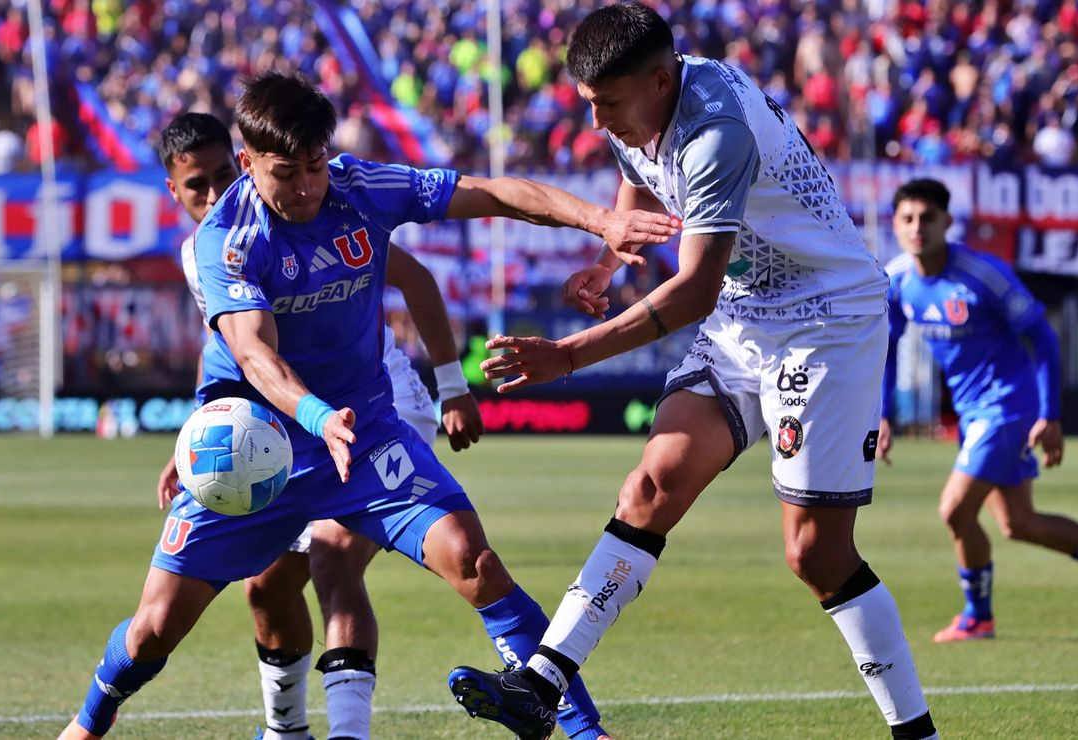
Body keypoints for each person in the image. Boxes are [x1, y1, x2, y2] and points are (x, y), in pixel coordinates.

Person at [59, 69, 678, 740]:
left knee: (475, 562)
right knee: (156, 627)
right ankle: (90, 723)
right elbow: (256, 357)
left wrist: (601, 219)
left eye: (315, 166)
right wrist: (319, 418)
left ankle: (588, 733)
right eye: (285, 172)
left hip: (368, 435)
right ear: (248, 164)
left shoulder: (360, 189)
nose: (305, 187)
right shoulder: (225, 240)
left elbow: (492, 192)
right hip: (258, 448)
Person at [447, 5, 937, 739]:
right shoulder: (635, 109)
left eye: (608, 104)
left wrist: (570, 354)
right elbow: (642, 178)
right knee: (650, 485)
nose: (599, 122)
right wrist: (611, 257)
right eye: (590, 104)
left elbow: (695, 289)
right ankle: (542, 685)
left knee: (816, 555)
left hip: (825, 322)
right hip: (747, 316)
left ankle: (917, 733)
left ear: (659, 79)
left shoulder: (715, 133)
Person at [154, 111, 483, 739]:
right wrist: (200, 432)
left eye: (224, 174)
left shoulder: (314, 213)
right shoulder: (208, 253)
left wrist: (453, 386)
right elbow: (233, 349)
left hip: (380, 408)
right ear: (174, 191)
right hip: (303, 425)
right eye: (197, 184)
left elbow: (417, 280)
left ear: (243, 162)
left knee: (334, 562)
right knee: (265, 591)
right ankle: (286, 732)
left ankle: (348, 733)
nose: (214, 192)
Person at [877, 177, 1078, 642]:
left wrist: (1050, 414)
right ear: (895, 224)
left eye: (927, 218)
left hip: (1009, 407)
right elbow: (888, 345)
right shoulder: (900, 282)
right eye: (907, 219)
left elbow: (1043, 336)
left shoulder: (982, 275)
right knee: (1019, 524)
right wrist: (883, 414)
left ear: (948, 221)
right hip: (975, 414)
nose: (917, 228)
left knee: (953, 510)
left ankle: (977, 616)